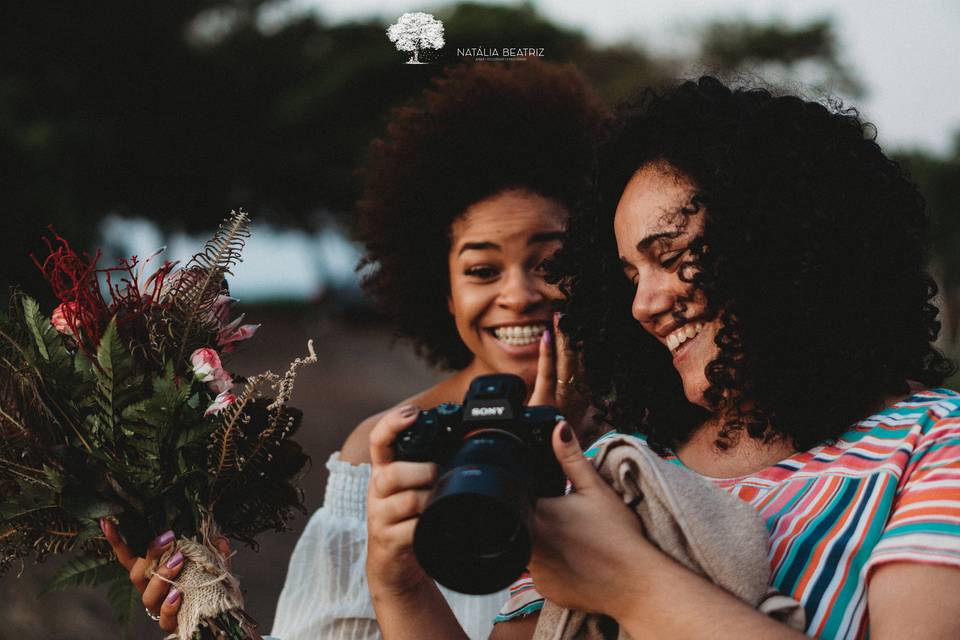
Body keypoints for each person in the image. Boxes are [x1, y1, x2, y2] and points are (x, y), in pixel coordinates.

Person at [365, 77, 960, 639]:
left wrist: (627, 582)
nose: (643, 306)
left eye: (672, 256)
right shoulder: (617, 467)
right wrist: (402, 588)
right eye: (630, 275)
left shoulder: (933, 442)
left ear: (783, 243)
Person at [103, 60, 608, 639]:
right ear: (443, 291)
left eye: (549, 264)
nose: (517, 295)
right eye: (483, 269)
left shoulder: (661, 430)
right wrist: (204, 611)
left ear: (600, 266)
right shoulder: (388, 449)